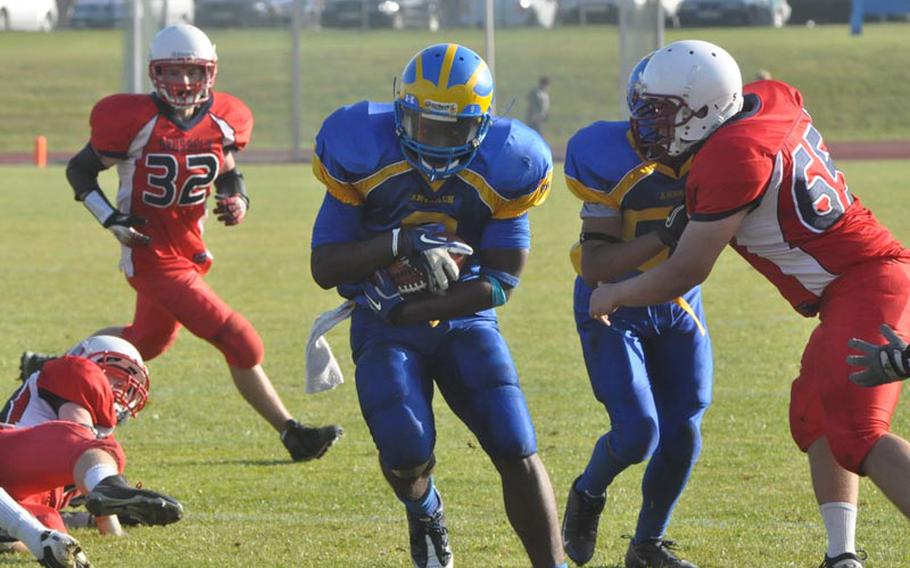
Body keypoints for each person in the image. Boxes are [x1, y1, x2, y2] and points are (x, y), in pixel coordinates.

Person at [588, 39, 910, 568]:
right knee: (815, 418)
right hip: (855, 286)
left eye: (662, 112)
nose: (649, 124)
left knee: (858, 432)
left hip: (868, 285)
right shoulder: (767, 98)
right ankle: (842, 556)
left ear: (704, 109)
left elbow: (687, 270)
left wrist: (616, 292)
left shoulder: (730, 157)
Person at [309, 43, 566, 568]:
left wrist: (418, 305)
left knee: (515, 443)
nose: (435, 141)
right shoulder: (361, 145)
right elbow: (325, 266)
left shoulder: (509, 162)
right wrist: (399, 247)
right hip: (383, 323)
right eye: (423, 125)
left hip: (463, 316)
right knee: (404, 448)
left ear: (482, 125)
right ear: (402, 112)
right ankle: (424, 509)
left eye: (452, 130)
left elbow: (499, 283)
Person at [55, 23, 341, 462]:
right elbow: (80, 171)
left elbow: (226, 170)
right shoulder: (131, 119)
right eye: (174, 71)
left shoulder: (225, 117)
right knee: (240, 340)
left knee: (146, 343)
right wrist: (110, 218)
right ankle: (292, 432)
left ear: (211, 73)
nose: (185, 82)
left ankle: (55, 370)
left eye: (194, 72)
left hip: (188, 250)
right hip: (150, 251)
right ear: (155, 73)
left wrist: (237, 198)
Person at [561, 115, 712, 568]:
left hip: (677, 302)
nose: (658, 130)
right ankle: (588, 491)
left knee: (684, 428)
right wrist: (664, 235)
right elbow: (595, 265)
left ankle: (647, 544)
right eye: (651, 112)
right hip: (611, 303)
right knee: (636, 434)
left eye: (673, 114)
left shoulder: (718, 158)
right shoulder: (609, 158)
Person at [0, 335, 183, 567]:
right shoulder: (70, 369)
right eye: (113, 377)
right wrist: (111, 526)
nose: (118, 389)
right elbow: (74, 433)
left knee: (51, 524)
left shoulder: (99, 448)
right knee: (94, 449)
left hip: (21, 491)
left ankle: (9, 535)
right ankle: (109, 487)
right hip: (11, 454)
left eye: (124, 384)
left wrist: (94, 521)